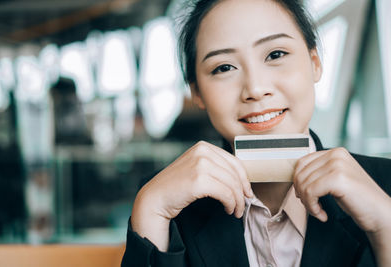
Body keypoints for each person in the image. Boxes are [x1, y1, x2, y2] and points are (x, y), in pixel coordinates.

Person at [122, 0, 391, 266]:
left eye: (276, 55)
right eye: (224, 67)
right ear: (197, 92)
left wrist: (387, 227)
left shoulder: (384, 186)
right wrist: (149, 210)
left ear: (315, 62)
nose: (255, 88)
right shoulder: (169, 206)